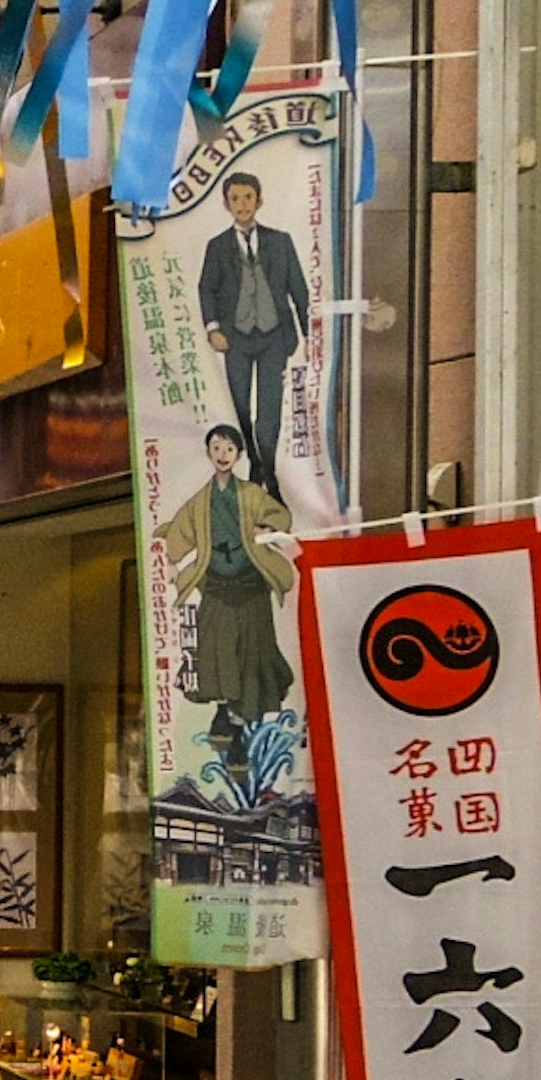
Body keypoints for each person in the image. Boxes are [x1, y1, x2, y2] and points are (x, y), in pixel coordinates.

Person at [157, 424, 297, 740]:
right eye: (217, 448)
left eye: (229, 449)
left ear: (238, 455)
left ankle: (238, 719)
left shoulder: (250, 494)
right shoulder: (200, 501)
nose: (222, 455)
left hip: (250, 581)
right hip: (217, 582)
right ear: (208, 452)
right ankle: (222, 708)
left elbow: (280, 516)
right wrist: (172, 560)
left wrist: (265, 527)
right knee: (215, 646)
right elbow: (181, 529)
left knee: (251, 647)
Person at [196, 169, 312, 507]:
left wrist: (310, 336)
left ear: (259, 200)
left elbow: (299, 291)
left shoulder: (280, 241)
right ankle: (256, 467)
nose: (242, 204)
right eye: (235, 199)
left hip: (275, 335)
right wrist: (213, 328)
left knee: (270, 409)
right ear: (226, 204)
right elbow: (207, 288)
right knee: (240, 407)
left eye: (248, 197)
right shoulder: (217, 247)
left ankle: (270, 476)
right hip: (237, 338)